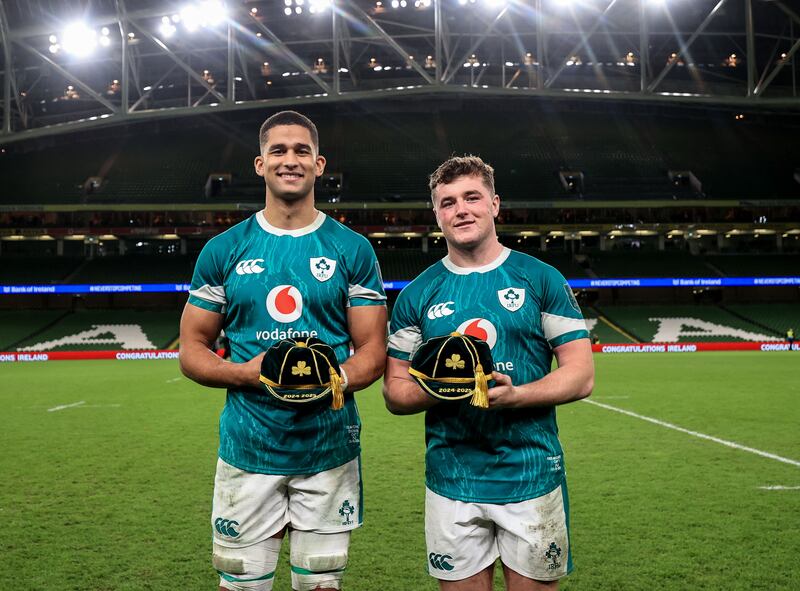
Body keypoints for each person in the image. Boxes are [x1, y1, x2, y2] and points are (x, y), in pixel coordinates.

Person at [179, 110, 387, 591]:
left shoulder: (352, 249)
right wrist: (245, 374)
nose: (289, 160)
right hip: (248, 448)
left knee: (320, 586)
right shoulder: (224, 249)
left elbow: (373, 349)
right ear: (259, 164)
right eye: (278, 150)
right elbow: (191, 348)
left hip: (328, 448)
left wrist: (330, 380)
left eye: (301, 151)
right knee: (241, 585)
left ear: (319, 164)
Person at [383, 155, 594, 591]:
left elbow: (581, 375)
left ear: (495, 204)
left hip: (532, 476)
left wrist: (517, 396)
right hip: (451, 481)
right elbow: (394, 392)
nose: (461, 209)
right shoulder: (416, 295)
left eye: (472, 197)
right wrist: (444, 389)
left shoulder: (541, 279)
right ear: (436, 215)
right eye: (447, 202)